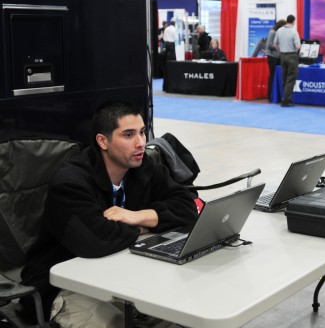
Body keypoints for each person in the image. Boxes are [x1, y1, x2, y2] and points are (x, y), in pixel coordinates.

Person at [20, 101, 199, 326]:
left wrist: (137, 216)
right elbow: (96, 241)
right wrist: (148, 226)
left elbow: (187, 208)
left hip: (123, 276)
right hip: (63, 284)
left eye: (142, 132)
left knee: (184, 312)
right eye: (128, 134)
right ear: (103, 141)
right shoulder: (70, 181)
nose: (141, 143)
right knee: (110, 322)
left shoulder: (142, 167)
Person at [274, 14, 301, 107]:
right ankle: (286, 100)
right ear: (293, 21)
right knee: (291, 78)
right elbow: (298, 46)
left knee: (284, 78)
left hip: (282, 56)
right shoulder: (294, 32)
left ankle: (285, 98)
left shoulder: (279, 30)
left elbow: (275, 44)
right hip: (292, 56)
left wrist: (282, 49)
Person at [265, 19, 286, 100]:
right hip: (271, 57)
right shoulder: (272, 32)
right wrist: (278, 47)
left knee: (276, 76)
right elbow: (269, 45)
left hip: (277, 57)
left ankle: (276, 95)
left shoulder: (278, 33)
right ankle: (270, 96)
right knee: (272, 76)